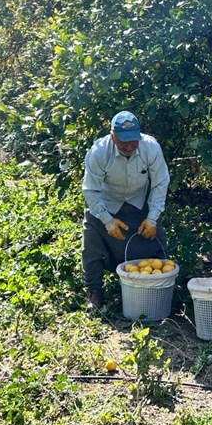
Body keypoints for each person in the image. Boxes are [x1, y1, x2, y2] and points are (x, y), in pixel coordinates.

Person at [81, 111, 171, 309]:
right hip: (105, 201)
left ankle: (160, 285)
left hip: (138, 200)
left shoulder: (150, 147)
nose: (129, 146)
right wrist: (107, 220)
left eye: (133, 141)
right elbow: (91, 190)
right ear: (113, 136)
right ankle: (94, 290)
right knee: (92, 242)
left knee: (156, 240)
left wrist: (152, 218)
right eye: (124, 142)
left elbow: (160, 183)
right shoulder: (98, 152)